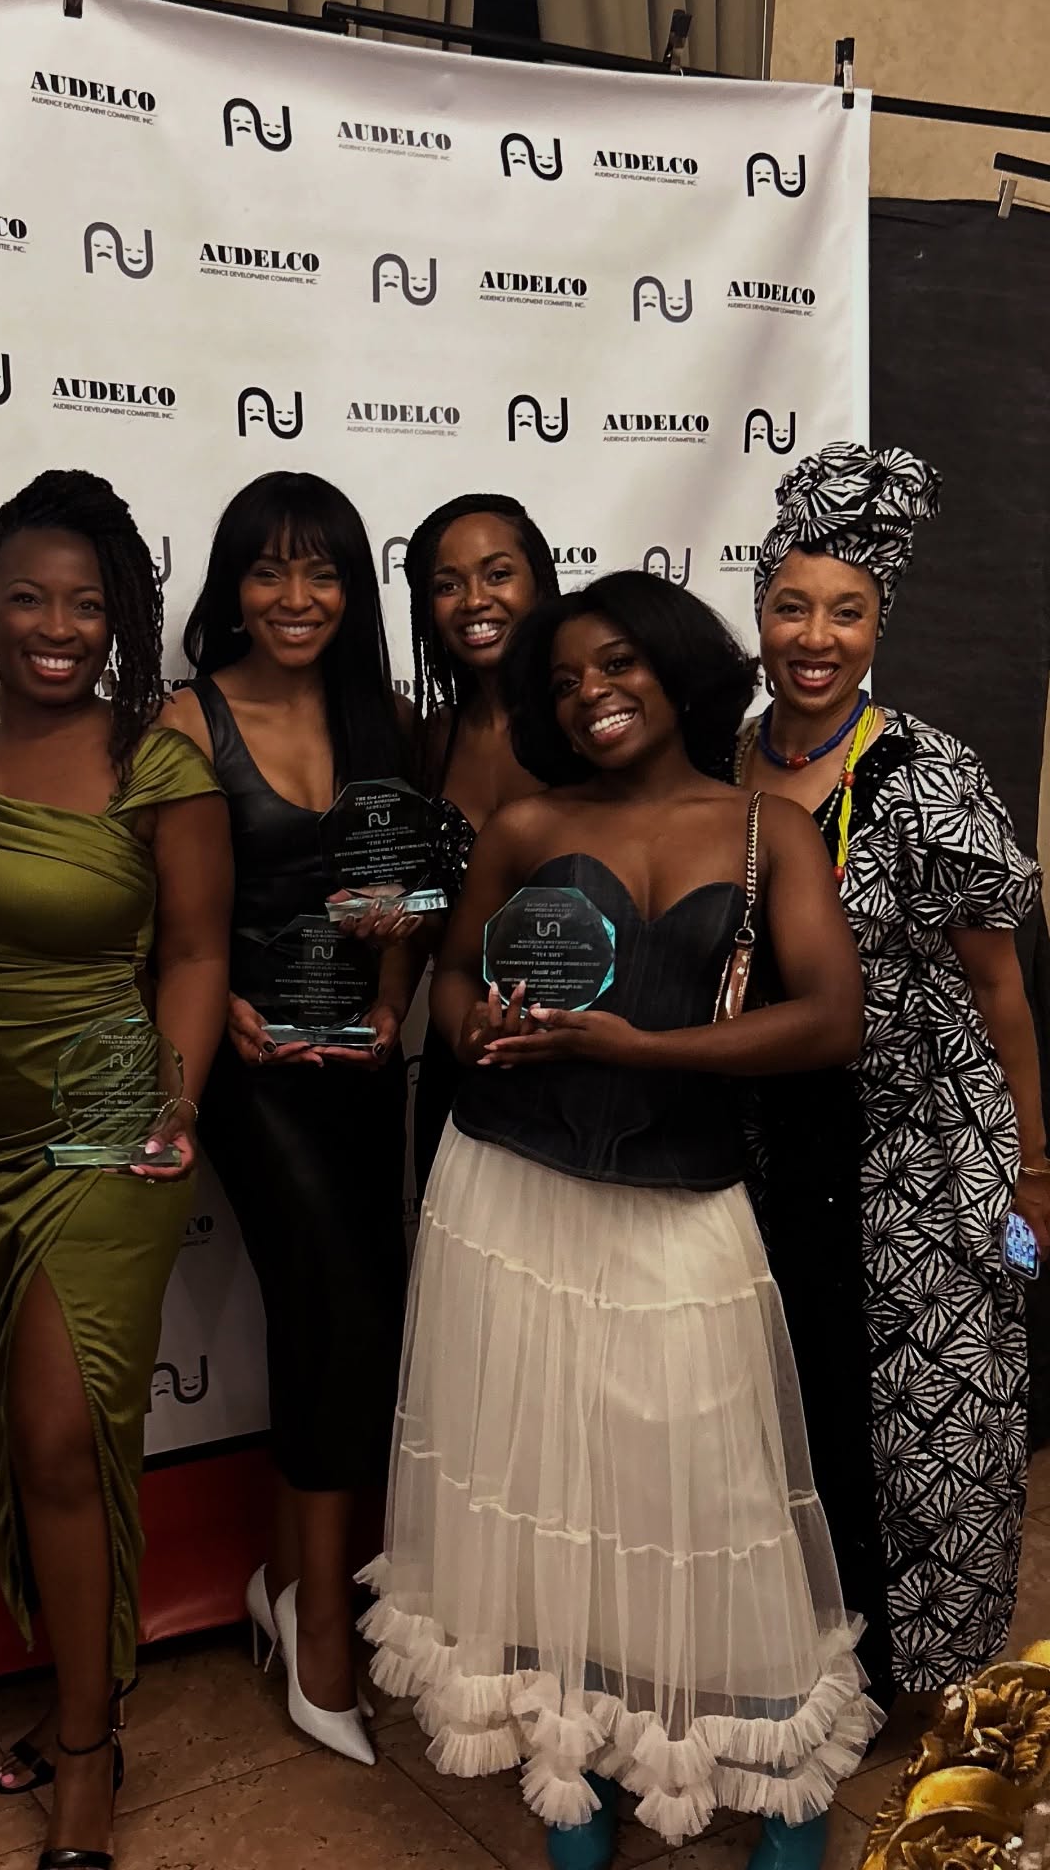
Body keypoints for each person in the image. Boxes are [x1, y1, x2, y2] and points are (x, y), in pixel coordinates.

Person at [361, 574, 881, 1870]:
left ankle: (779, 1773)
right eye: (565, 681)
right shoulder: (523, 820)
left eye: (616, 666)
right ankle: (575, 1769)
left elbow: (831, 1019)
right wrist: (474, 1022)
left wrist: (649, 1045)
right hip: (509, 1192)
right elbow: (450, 994)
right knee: (540, 1480)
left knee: (712, 1490)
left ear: (673, 666)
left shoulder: (771, 831)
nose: (591, 694)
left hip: (676, 1202)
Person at [0, 471, 231, 1870]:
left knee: (65, 1439)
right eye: (28, 595)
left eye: (87, 602)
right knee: (28, 1445)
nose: (55, 626)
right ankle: (96, 1681)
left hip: (106, 1130)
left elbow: (196, 954)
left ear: (123, 614)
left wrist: (178, 1107)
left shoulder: (157, 759)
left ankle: (87, 1750)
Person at [736, 442, 1046, 1696]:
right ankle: (805, 1657)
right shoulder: (723, 760)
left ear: (880, 624)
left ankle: (932, 1682)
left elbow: (999, 988)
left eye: (847, 612)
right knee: (788, 1407)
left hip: (918, 1145)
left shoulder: (934, 774)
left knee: (933, 1424)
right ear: (758, 613)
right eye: (792, 606)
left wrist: (1032, 1163)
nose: (817, 637)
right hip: (767, 1134)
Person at [161, 471, 419, 1767]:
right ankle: (324, 1638)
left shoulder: (391, 714)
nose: (296, 598)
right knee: (338, 1319)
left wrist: (390, 993)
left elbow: (416, 896)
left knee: (345, 1336)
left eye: (322, 572)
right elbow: (169, 919)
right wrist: (229, 1021)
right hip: (255, 1074)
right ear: (233, 583)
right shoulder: (189, 717)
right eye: (270, 570)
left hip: (366, 1075)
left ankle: (281, 1583)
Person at [403, 493, 555, 1193]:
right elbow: (436, 913)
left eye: (497, 574)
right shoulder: (429, 741)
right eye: (446, 584)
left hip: (584, 1056)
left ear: (538, 584)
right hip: (461, 1051)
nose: (473, 601)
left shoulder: (587, 725)